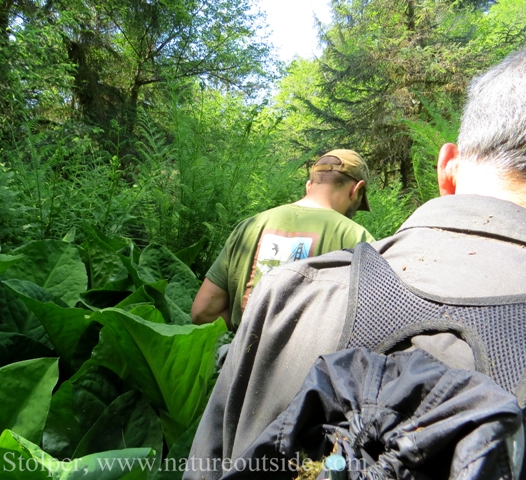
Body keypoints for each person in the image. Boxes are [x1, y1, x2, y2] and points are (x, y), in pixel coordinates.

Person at [184, 49, 526, 480]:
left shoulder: (252, 226)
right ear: (356, 190)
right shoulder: (359, 244)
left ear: (447, 170)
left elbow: (202, 311)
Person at [191, 149, 375, 331]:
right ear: (355, 189)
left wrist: (251, 321)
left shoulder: (248, 226)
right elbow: (372, 321)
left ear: (309, 185)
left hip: (240, 358)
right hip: (311, 360)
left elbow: (202, 313)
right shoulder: (359, 239)